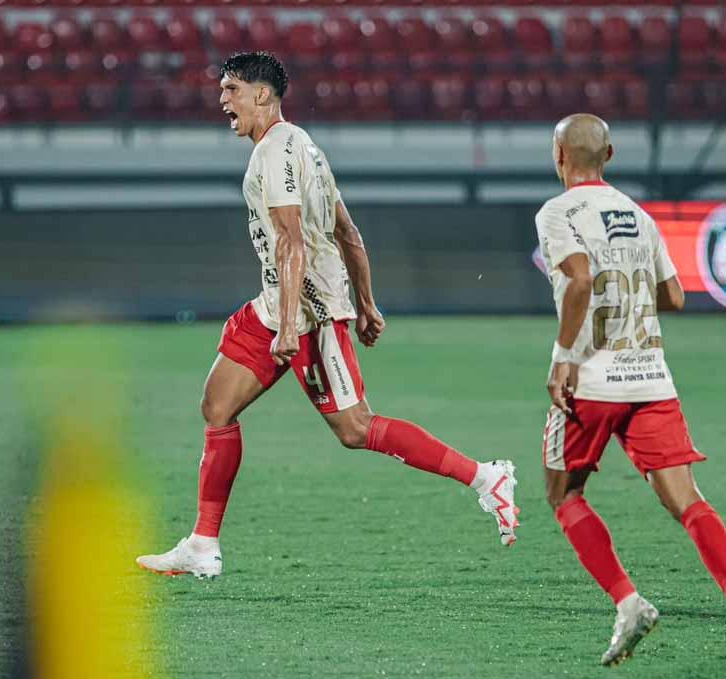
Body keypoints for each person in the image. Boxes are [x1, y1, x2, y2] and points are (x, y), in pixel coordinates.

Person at [136, 52, 519, 580]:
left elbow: (293, 243)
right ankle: (203, 544)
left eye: (232, 89)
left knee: (355, 428)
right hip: (277, 304)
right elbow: (349, 235)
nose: (223, 99)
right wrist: (368, 302)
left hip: (310, 312)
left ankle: (485, 476)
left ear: (263, 94)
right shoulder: (308, 149)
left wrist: (295, 322)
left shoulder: (273, 153)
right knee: (217, 405)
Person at [534, 113, 726, 678]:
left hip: (592, 376)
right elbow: (676, 296)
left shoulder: (558, 212)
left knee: (563, 493)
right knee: (687, 500)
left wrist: (564, 357)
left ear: (560, 157)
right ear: (608, 155)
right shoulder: (639, 215)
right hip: (651, 375)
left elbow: (583, 280)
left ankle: (628, 602)